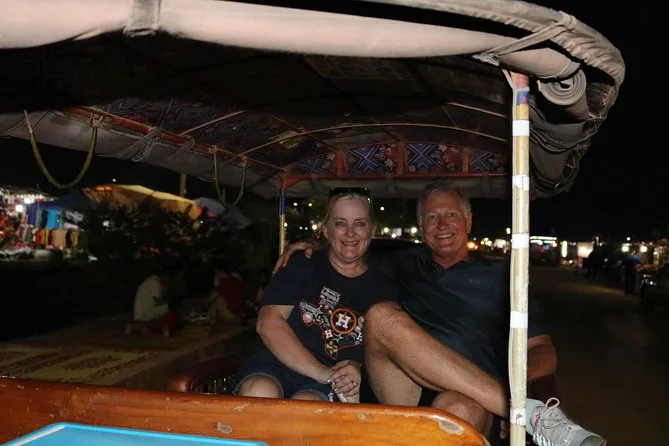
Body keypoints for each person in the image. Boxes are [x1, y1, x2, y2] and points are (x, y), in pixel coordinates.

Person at [276, 181, 604, 446]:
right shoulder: (397, 264)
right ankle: (524, 411)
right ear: (421, 227)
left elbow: (542, 350)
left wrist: (512, 383)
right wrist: (311, 245)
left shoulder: (505, 279)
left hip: (473, 397)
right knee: (382, 316)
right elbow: (348, 250)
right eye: (432, 218)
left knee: (454, 411)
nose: (442, 225)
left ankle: (514, 404)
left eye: (451, 215)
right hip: (402, 388)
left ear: (468, 221)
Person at [233, 187, 399, 403]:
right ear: (326, 230)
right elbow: (268, 323)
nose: (350, 233)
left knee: (306, 405)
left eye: (359, 223)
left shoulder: (385, 287)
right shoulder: (302, 264)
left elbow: (386, 352)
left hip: (334, 381)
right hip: (277, 364)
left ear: (372, 230)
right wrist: (321, 371)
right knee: (258, 390)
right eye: (340, 223)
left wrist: (360, 369)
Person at [209, 259, 246, 324]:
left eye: (217, 272)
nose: (216, 275)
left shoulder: (224, 283)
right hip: (240, 313)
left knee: (217, 298)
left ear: (222, 271)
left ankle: (210, 320)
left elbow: (211, 299)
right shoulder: (236, 280)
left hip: (231, 315)